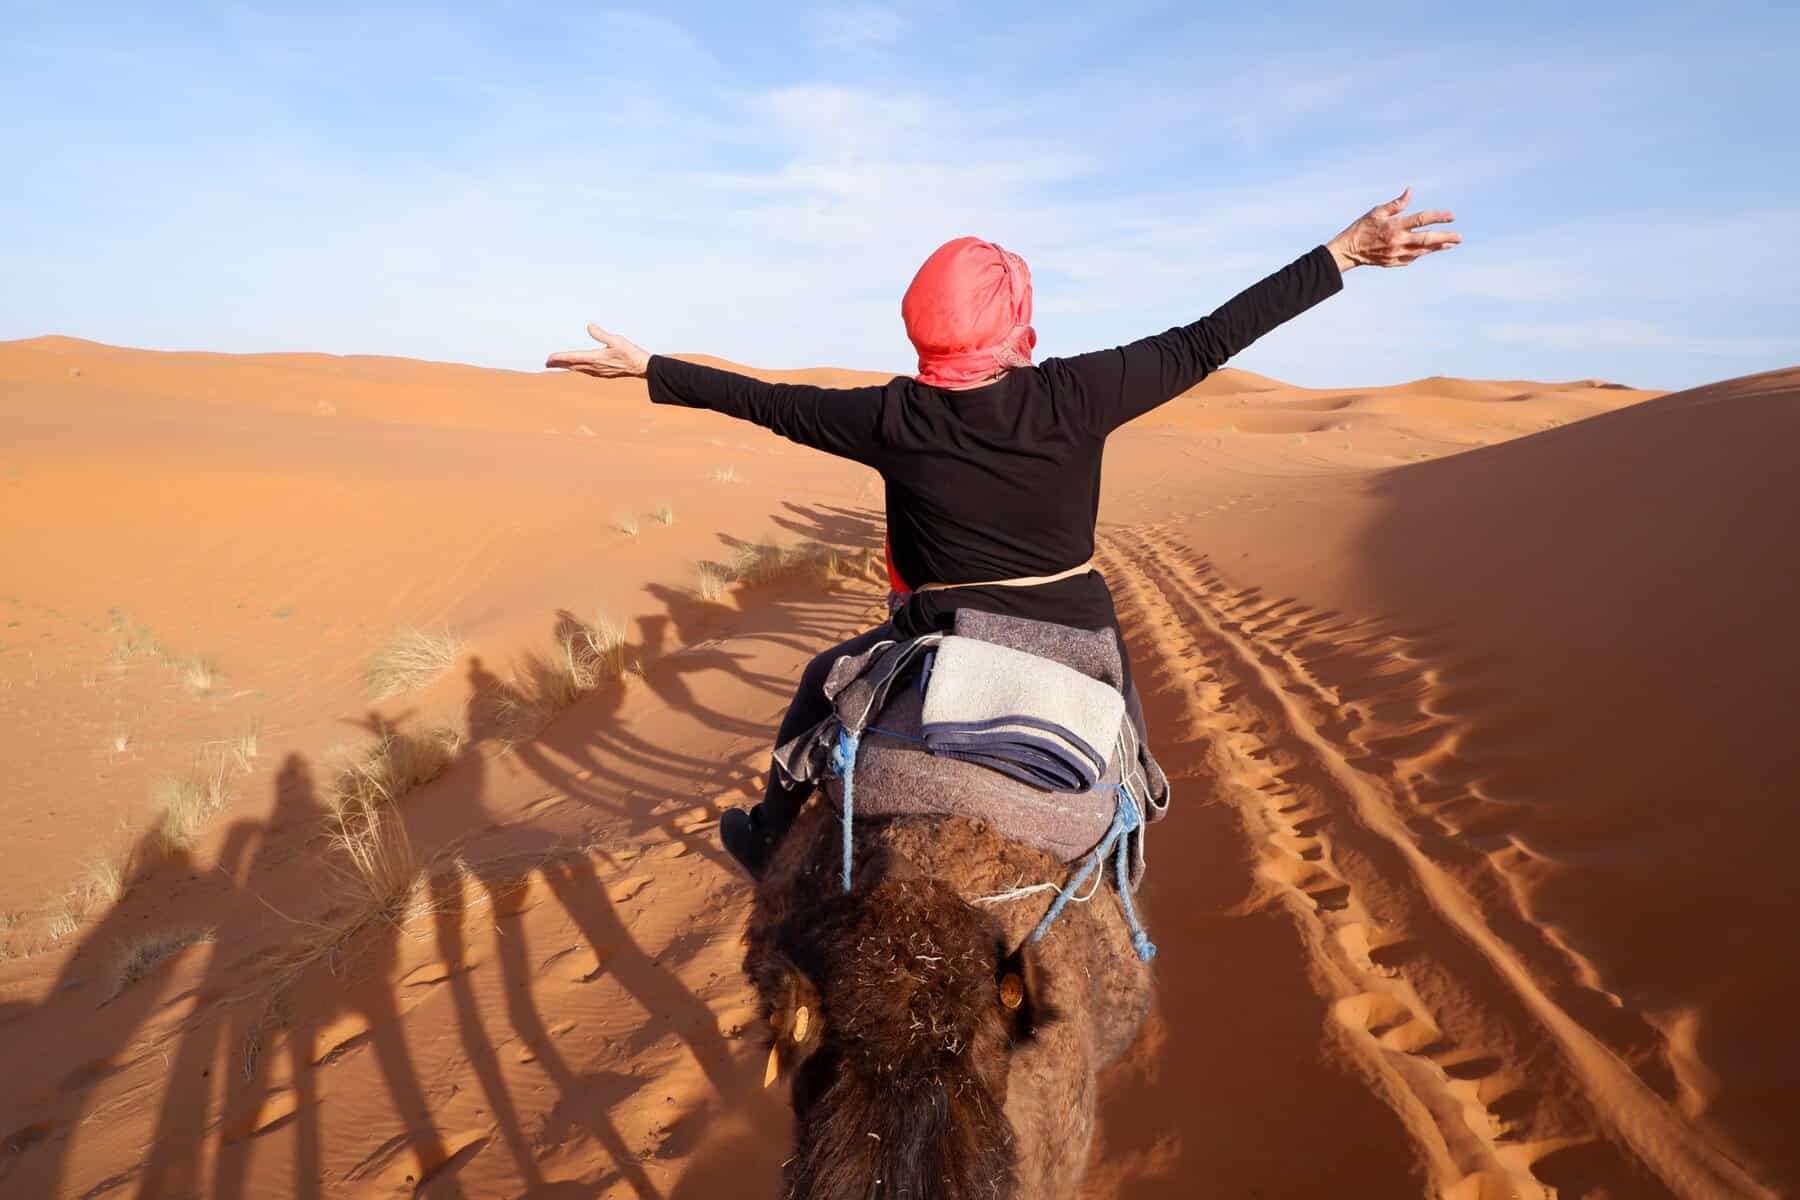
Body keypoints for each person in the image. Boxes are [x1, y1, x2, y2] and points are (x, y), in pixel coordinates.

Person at [548, 187, 1459, 875]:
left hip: (938, 635)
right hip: (1076, 632)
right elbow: (1208, 338)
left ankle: (769, 835)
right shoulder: (1075, 393)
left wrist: (650, 367)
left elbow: (768, 403)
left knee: (821, 684)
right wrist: (1343, 252)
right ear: (1013, 314)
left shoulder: (892, 416)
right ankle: (1125, 837)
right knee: (1126, 761)